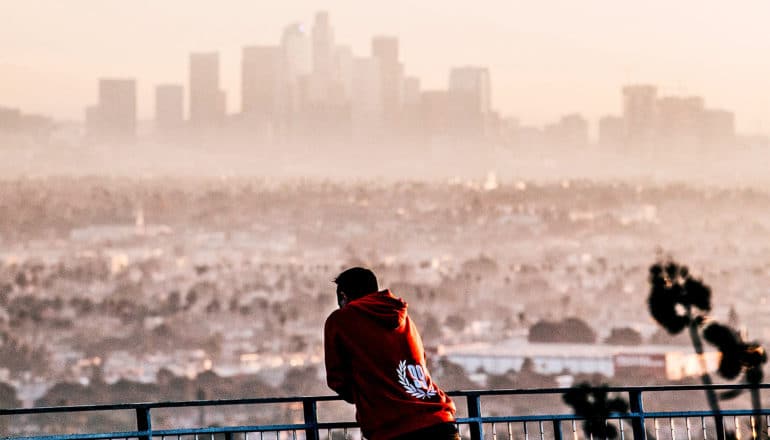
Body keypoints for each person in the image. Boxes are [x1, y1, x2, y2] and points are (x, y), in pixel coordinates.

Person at [324, 267, 459, 440]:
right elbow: (421, 362)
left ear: (343, 297)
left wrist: (366, 393)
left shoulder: (340, 320)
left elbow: (338, 380)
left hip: (393, 429)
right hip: (441, 422)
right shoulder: (404, 318)